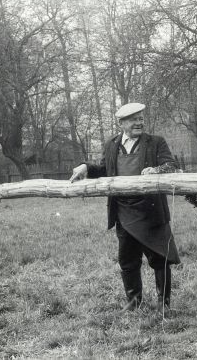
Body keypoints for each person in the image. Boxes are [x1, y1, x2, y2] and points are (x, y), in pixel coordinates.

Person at [70, 102, 179, 312]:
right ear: (121, 123)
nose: (139, 123)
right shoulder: (112, 144)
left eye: (140, 119)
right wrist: (86, 166)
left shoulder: (156, 142)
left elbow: (171, 165)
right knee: (128, 260)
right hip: (123, 211)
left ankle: (163, 304)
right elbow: (104, 169)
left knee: (159, 259)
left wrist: (157, 170)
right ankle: (133, 302)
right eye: (133, 119)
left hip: (151, 211)